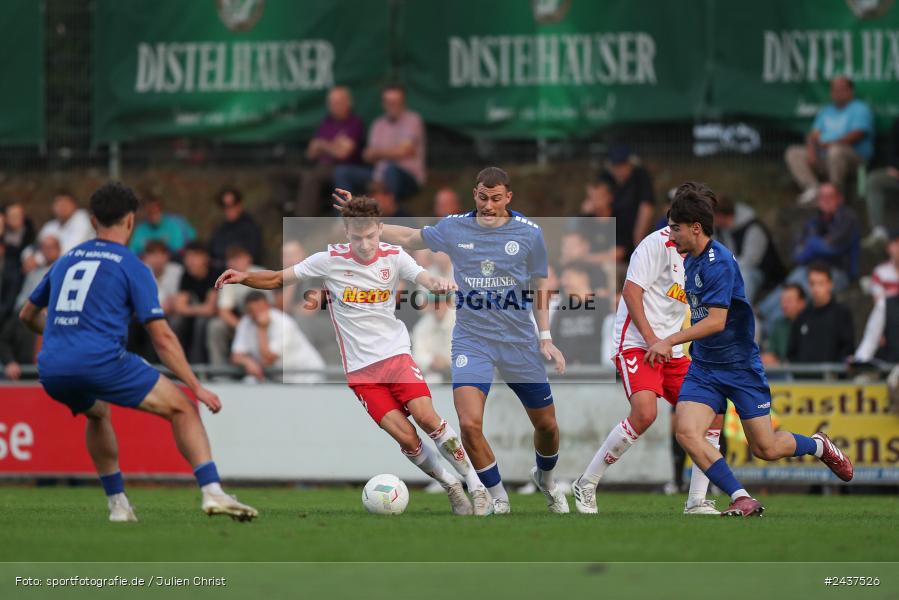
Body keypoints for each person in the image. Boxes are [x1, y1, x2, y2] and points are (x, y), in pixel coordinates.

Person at [216, 195, 490, 516]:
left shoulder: (394, 255)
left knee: (428, 417)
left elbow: (423, 277)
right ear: (346, 231)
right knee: (407, 439)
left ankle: (476, 485)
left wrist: (437, 283)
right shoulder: (328, 260)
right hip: (361, 373)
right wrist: (244, 276)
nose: (365, 244)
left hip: (396, 357)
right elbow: (278, 277)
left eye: (371, 236)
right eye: (357, 237)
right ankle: (451, 486)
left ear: (379, 229)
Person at [336, 167, 570, 514]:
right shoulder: (455, 226)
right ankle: (499, 498)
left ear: (508, 198)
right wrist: (363, 217)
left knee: (547, 425)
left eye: (495, 199)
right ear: (474, 194)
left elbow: (540, 285)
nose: (488, 205)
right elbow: (411, 237)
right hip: (472, 339)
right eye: (482, 197)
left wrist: (546, 337)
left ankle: (547, 480)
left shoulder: (529, 234)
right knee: (470, 424)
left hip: (519, 341)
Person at [18, 181, 256, 522]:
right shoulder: (131, 264)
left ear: (92, 219)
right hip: (100, 360)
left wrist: (60, 333)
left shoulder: (66, 259)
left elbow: (27, 315)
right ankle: (212, 491)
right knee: (183, 408)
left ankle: (118, 505)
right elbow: (161, 337)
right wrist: (196, 384)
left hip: (53, 367)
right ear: (131, 220)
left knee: (97, 413)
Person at [645, 182, 853, 518]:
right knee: (685, 431)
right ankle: (740, 496)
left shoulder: (720, 262)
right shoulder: (692, 261)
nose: (670, 235)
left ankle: (817, 445)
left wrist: (669, 340)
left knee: (765, 448)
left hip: (739, 366)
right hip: (705, 367)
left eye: (675, 228)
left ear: (695, 229)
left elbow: (715, 321)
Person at [572, 219, 724, 516]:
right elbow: (630, 293)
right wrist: (653, 339)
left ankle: (695, 500)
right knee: (645, 413)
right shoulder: (654, 244)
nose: (673, 230)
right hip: (636, 341)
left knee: (713, 409)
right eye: (672, 223)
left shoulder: (706, 255)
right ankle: (586, 482)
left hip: (672, 348)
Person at [785, 76, 874, 204]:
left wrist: (830, 144)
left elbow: (857, 134)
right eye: (834, 90)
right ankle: (813, 190)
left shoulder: (861, 109)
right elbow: (813, 135)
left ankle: (835, 194)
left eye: (841, 90)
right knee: (793, 152)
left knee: (835, 151)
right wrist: (811, 150)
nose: (837, 93)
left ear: (850, 91)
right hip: (824, 156)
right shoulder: (826, 111)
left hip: (854, 159)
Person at [334, 84, 426, 200]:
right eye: (389, 102)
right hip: (378, 175)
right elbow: (367, 156)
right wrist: (392, 152)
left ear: (403, 102)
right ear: (383, 103)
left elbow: (405, 151)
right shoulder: (378, 124)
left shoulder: (413, 120)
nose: (393, 106)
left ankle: (387, 215)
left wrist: (378, 153)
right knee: (342, 172)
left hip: (408, 177)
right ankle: (343, 216)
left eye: (396, 102)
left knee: (390, 169)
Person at [296, 86, 366, 216]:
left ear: (348, 103)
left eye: (338, 102)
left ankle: (301, 225)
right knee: (278, 173)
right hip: (319, 166)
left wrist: (322, 145)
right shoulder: (326, 122)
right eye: (332, 103)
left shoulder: (354, 123)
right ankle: (288, 207)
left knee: (310, 177)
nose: (334, 106)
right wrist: (333, 145)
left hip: (342, 167)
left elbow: (343, 154)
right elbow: (310, 153)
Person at [230, 291, 325, 383]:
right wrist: (248, 362)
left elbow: (268, 359)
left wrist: (262, 329)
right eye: (253, 311)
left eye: (260, 309)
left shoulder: (284, 324)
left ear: (268, 306)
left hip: (306, 376)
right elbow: (236, 356)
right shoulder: (245, 323)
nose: (257, 315)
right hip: (276, 378)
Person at [207, 245, 269, 371]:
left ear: (248, 259)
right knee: (216, 326)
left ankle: (271, 371)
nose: (236, 262)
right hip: (242, 322)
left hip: (265, 320)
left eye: (239, 258)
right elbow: (224, 311)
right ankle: (220, 372)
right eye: (232, 259)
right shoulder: (228, 278)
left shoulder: (261, 272)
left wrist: (259, 324)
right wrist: (244, 328)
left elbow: (272, 307)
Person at [713, 195, 784, 303]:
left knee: (743, 275)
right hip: (734, 269)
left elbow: (750, 261)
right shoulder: (720, 230)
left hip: (761, 273)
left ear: (721, 216)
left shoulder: (753, 228)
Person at [787, 264, 855, 364]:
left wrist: (836, 373)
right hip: (804, 378)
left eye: (821, 283)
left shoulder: (842, 314)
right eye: (812, 283)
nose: (816, 288)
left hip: (831, 377)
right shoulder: (802, 316)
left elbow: (847, 349)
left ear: (830, 285)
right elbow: (792, 351)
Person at [598, 143, 656, 259]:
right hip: (613, 233)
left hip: (631, 235)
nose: (619, 169)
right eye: (616, 166)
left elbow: (647, 207)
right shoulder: (606, 178)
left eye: (622, 165)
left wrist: (638, 241)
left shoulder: (640, 177)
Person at [548, 262, 607, 366]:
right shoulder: (562, 308)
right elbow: (553, 340)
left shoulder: (602, 306)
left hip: (595, 371)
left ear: (583, 277)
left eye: (568, 277)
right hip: (566, 372)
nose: (563, 282)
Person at [22, 190, 94, 272]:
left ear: (74, 205)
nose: (62, 207)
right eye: (58, 204)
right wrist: (28, 257)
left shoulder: (82, 219)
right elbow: (34, 247)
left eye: (65, 204)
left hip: (80, 269)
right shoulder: (49, 226)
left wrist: (38, 260)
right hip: (51, 270)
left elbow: (69, 250)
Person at [170, 241, 218, 364]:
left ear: (205, 258)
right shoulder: (186, 275)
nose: (190, 261)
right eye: (187, 256)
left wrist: (190, 308)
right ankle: (175, 363)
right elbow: (179, 307)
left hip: (213, 317)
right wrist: (198, 308)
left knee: (201, 322)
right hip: (193, 316)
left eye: (195, 256)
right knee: (175, 321)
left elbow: (210, 309)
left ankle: (198, 366)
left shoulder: (215, 273)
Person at [209, 188, 263, 269]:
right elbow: (211, 252)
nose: (229, 209)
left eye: (232, 204)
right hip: (222, 271)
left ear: (240, 204)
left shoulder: (251, 228)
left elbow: (254, 254)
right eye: (224, 205)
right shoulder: (220, 229)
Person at [128, 194, 197, 256]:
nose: (154, 215)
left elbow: (180, 248)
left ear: (161, 209)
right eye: (150, 212)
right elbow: (133, 251)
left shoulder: (176, 223)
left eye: (156, 211)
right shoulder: (140, 229)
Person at [760, 284, 807, 367]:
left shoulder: (810, 323)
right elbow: (771, 353)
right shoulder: (779, 324)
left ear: (802, 303)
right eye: (783, 300)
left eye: (789, 301)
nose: (784, 305)